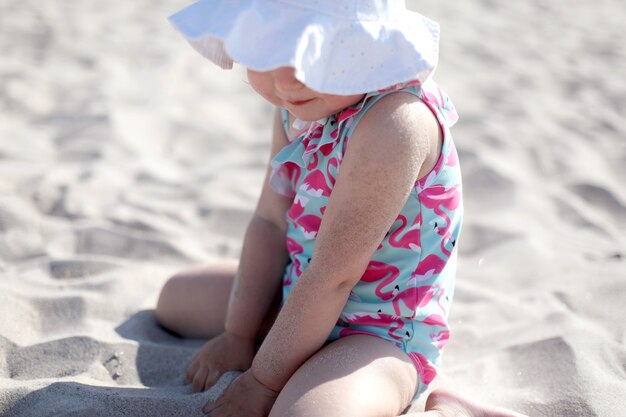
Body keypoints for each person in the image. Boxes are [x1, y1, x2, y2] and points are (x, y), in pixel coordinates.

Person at [156, 1, 527, 416]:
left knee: (303, 413)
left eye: (311, 56)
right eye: (269, 52)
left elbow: (336, 275)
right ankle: (290, 350)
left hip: (379, 333)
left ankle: (440, 404)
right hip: (298, 293)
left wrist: (261, 381)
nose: (287, 81)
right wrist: (237, 334)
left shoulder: (396, 122)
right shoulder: (300, 108)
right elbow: (270, 220)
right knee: (174, 300)